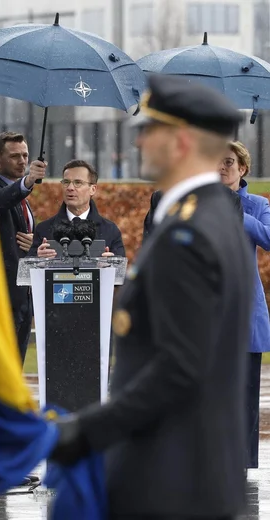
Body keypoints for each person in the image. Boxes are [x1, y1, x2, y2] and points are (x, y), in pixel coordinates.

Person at [49, 74, 253, 520]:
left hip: (171, 483)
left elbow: (179, 366)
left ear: (179, 141)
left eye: (148, 131)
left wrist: (84, 432)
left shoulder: (189, 233)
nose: (139, 142)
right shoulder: (210, 216)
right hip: (191, 479)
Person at [218, 140, 270, 472]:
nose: (221, 167)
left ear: (243, 168)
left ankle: (248, 466)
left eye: (228, 162)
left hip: (246, 312)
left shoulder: (257, 204)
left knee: (248, 398)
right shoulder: (200, 203)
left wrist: (241, 215)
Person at [0, 131, 46, 366]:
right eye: (14, 156)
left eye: (25, 155)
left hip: (24, 295)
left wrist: (35, 244)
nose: (22, 161)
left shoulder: (22, 196)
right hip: (2, 295)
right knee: (1, 366)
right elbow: (0, 201)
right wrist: (28, 181)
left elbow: (22, 239)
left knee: (16, 366)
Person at [29, 159, 125, 258]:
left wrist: (112, 263)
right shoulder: (43, 229)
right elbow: (27, 269)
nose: (70, 188)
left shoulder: (110, 230)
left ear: (93, 189)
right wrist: (37, 259)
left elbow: (121, 270)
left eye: (78, 182)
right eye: (66, 182)